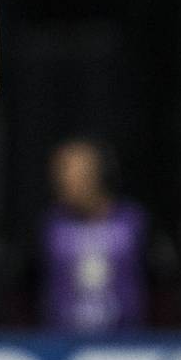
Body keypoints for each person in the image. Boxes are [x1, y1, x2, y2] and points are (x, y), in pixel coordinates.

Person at [41, 138, 147, 332]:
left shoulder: (133, 222)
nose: (64, 180)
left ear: (97, 173)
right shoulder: (50, 226)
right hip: (61, 342)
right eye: (60, 172)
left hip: (128, 343)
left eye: (73, 172)